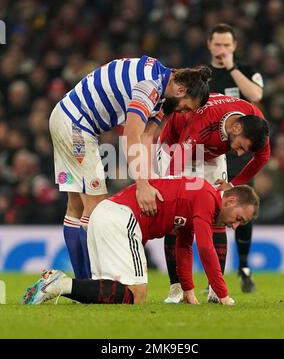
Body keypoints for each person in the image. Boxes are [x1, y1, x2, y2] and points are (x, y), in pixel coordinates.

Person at [49, 55, 211, 279]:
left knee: (76, 207)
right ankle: (95, 281)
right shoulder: (149, 87)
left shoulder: (163, 86)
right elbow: (131, 136)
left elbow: (146, 137)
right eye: (185, 108)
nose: (182, 113)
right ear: (181, 90)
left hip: (66, 118)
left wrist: (153, 180)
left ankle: (84, 281)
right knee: (97, 208)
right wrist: (142, 184)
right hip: (76, 126)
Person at [22, 177, 260, 306]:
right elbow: (206, 248)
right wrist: (223, 294)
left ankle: (58, 285)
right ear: (230, 202)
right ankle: (59, 285)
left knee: (110, 292)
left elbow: (184, 246)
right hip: (122, 219)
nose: (235, 225)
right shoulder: (207, 196)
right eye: (239, 218)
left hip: (106, 215)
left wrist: (188, 290)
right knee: (136, 296)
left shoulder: (199, 195)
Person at [159, 93, 270, 303]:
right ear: (236, 128)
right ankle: (177, 290)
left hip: (211, 152)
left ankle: (215, 290)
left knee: (219, 215)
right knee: (177, 218)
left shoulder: (254, 122)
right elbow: (178, 161)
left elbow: (263, 157)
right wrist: (173, 193)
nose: (238, 154)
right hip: (175, 146)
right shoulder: (203, 122)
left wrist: (234, 184)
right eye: (241, 147)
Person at [207, 23, 264, 293]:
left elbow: (255, 95)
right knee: (208, 207)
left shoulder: (247, 71)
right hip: (209, 151)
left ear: (234, 46)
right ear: (209, 45)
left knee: (240, 205)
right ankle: (209, 273)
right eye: (218, 44)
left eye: (227, 45)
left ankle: (243, 265)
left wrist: (231, 67)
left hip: (239, 153)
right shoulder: (202, 75)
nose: (222, 50)